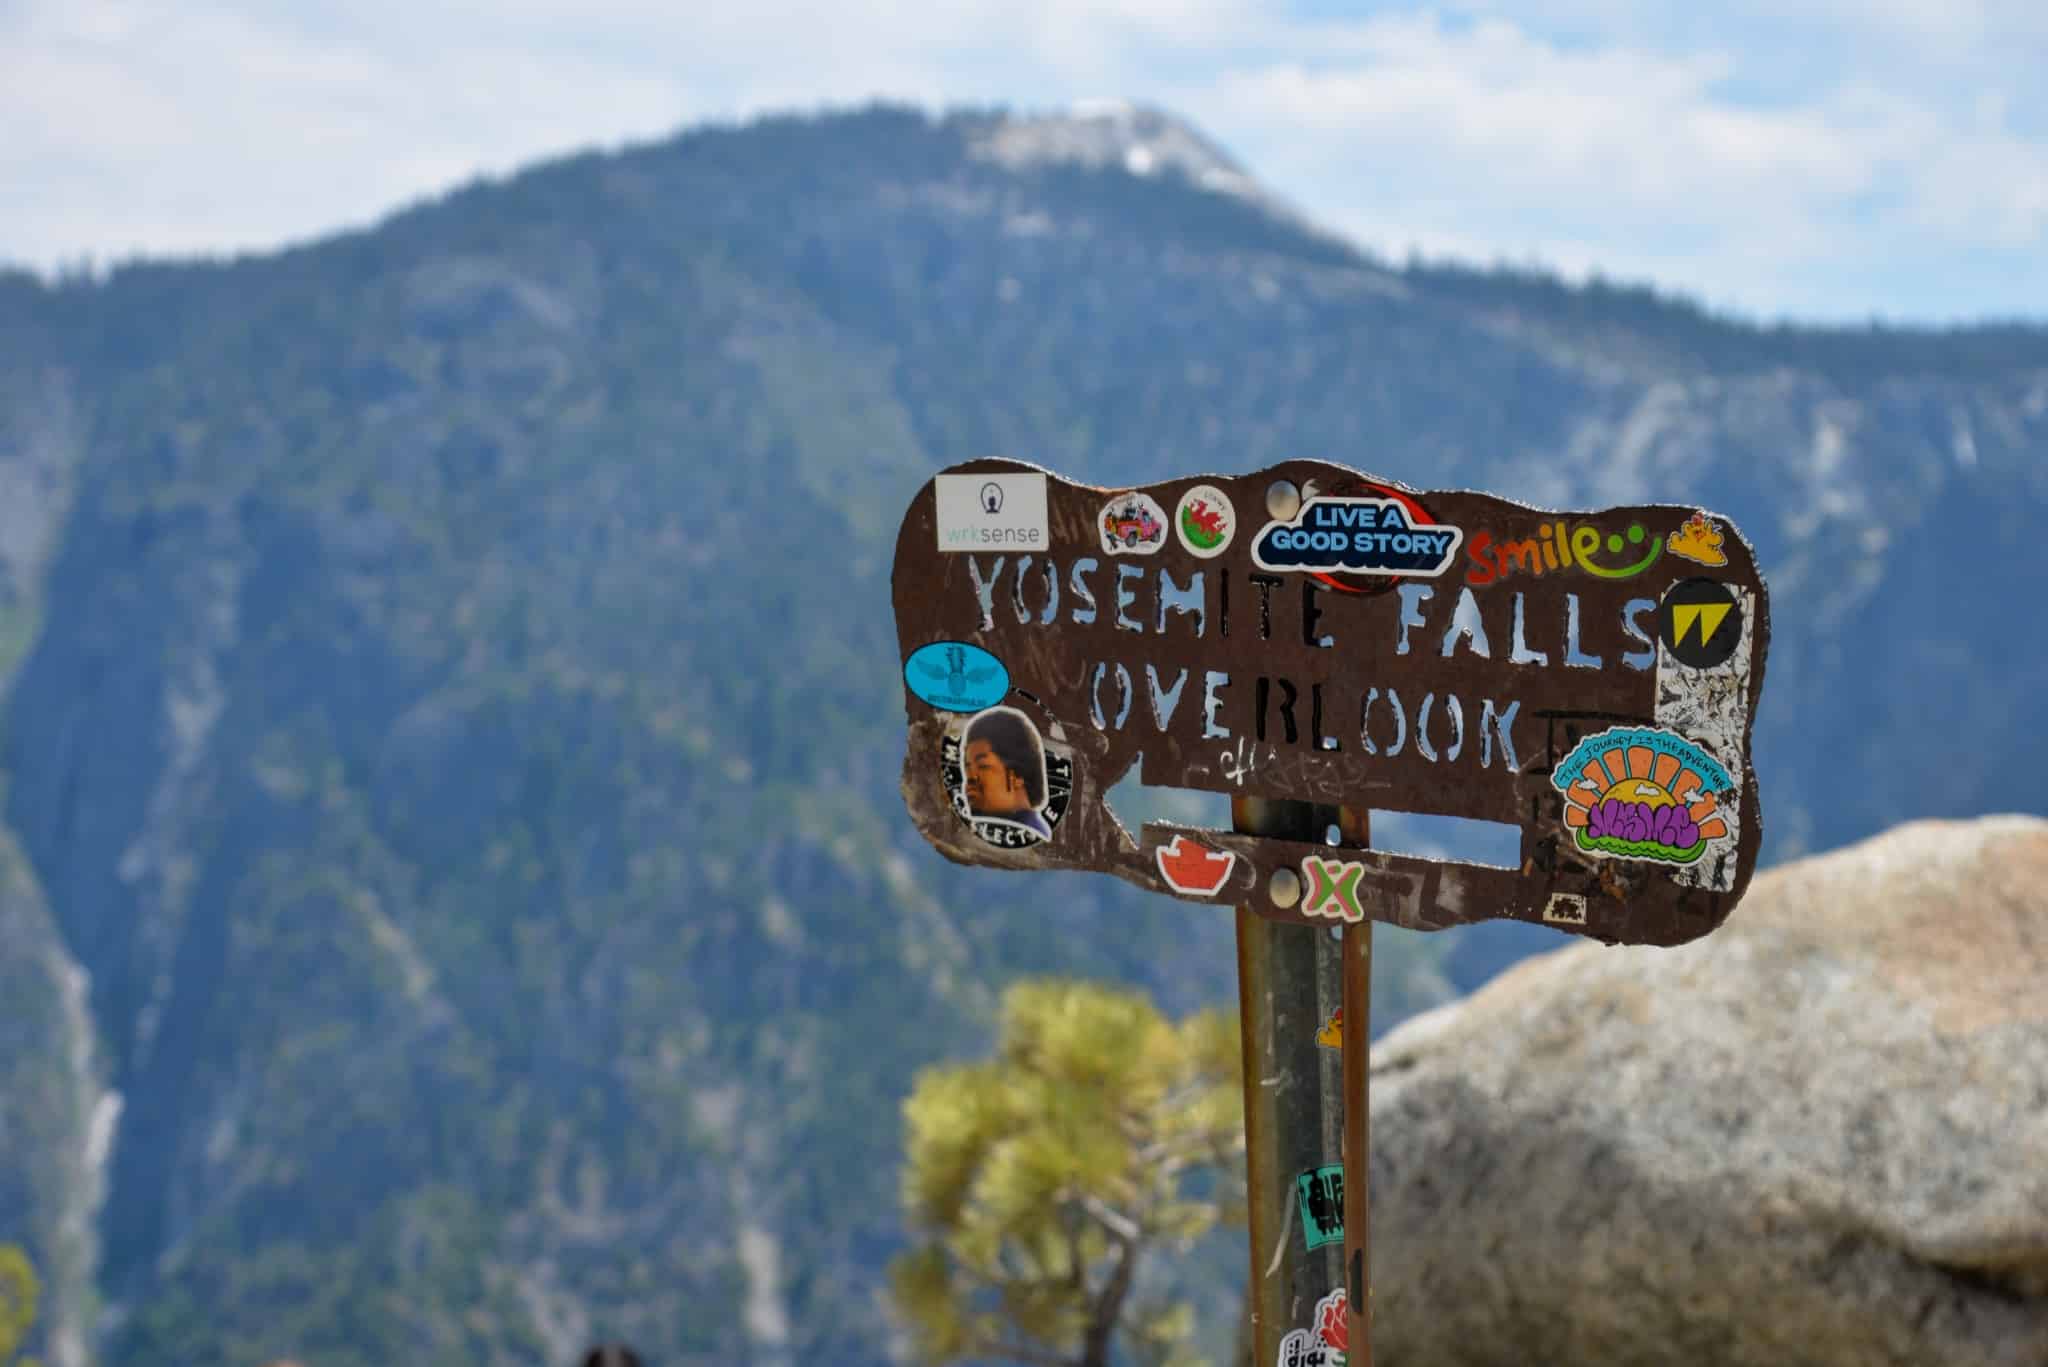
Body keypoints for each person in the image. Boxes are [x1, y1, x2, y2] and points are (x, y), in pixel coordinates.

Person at [963, 708, 1050, 838]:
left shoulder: (1032, 836)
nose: (970, 778)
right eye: (967, 767)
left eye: (982, 766)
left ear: (1018, 777)